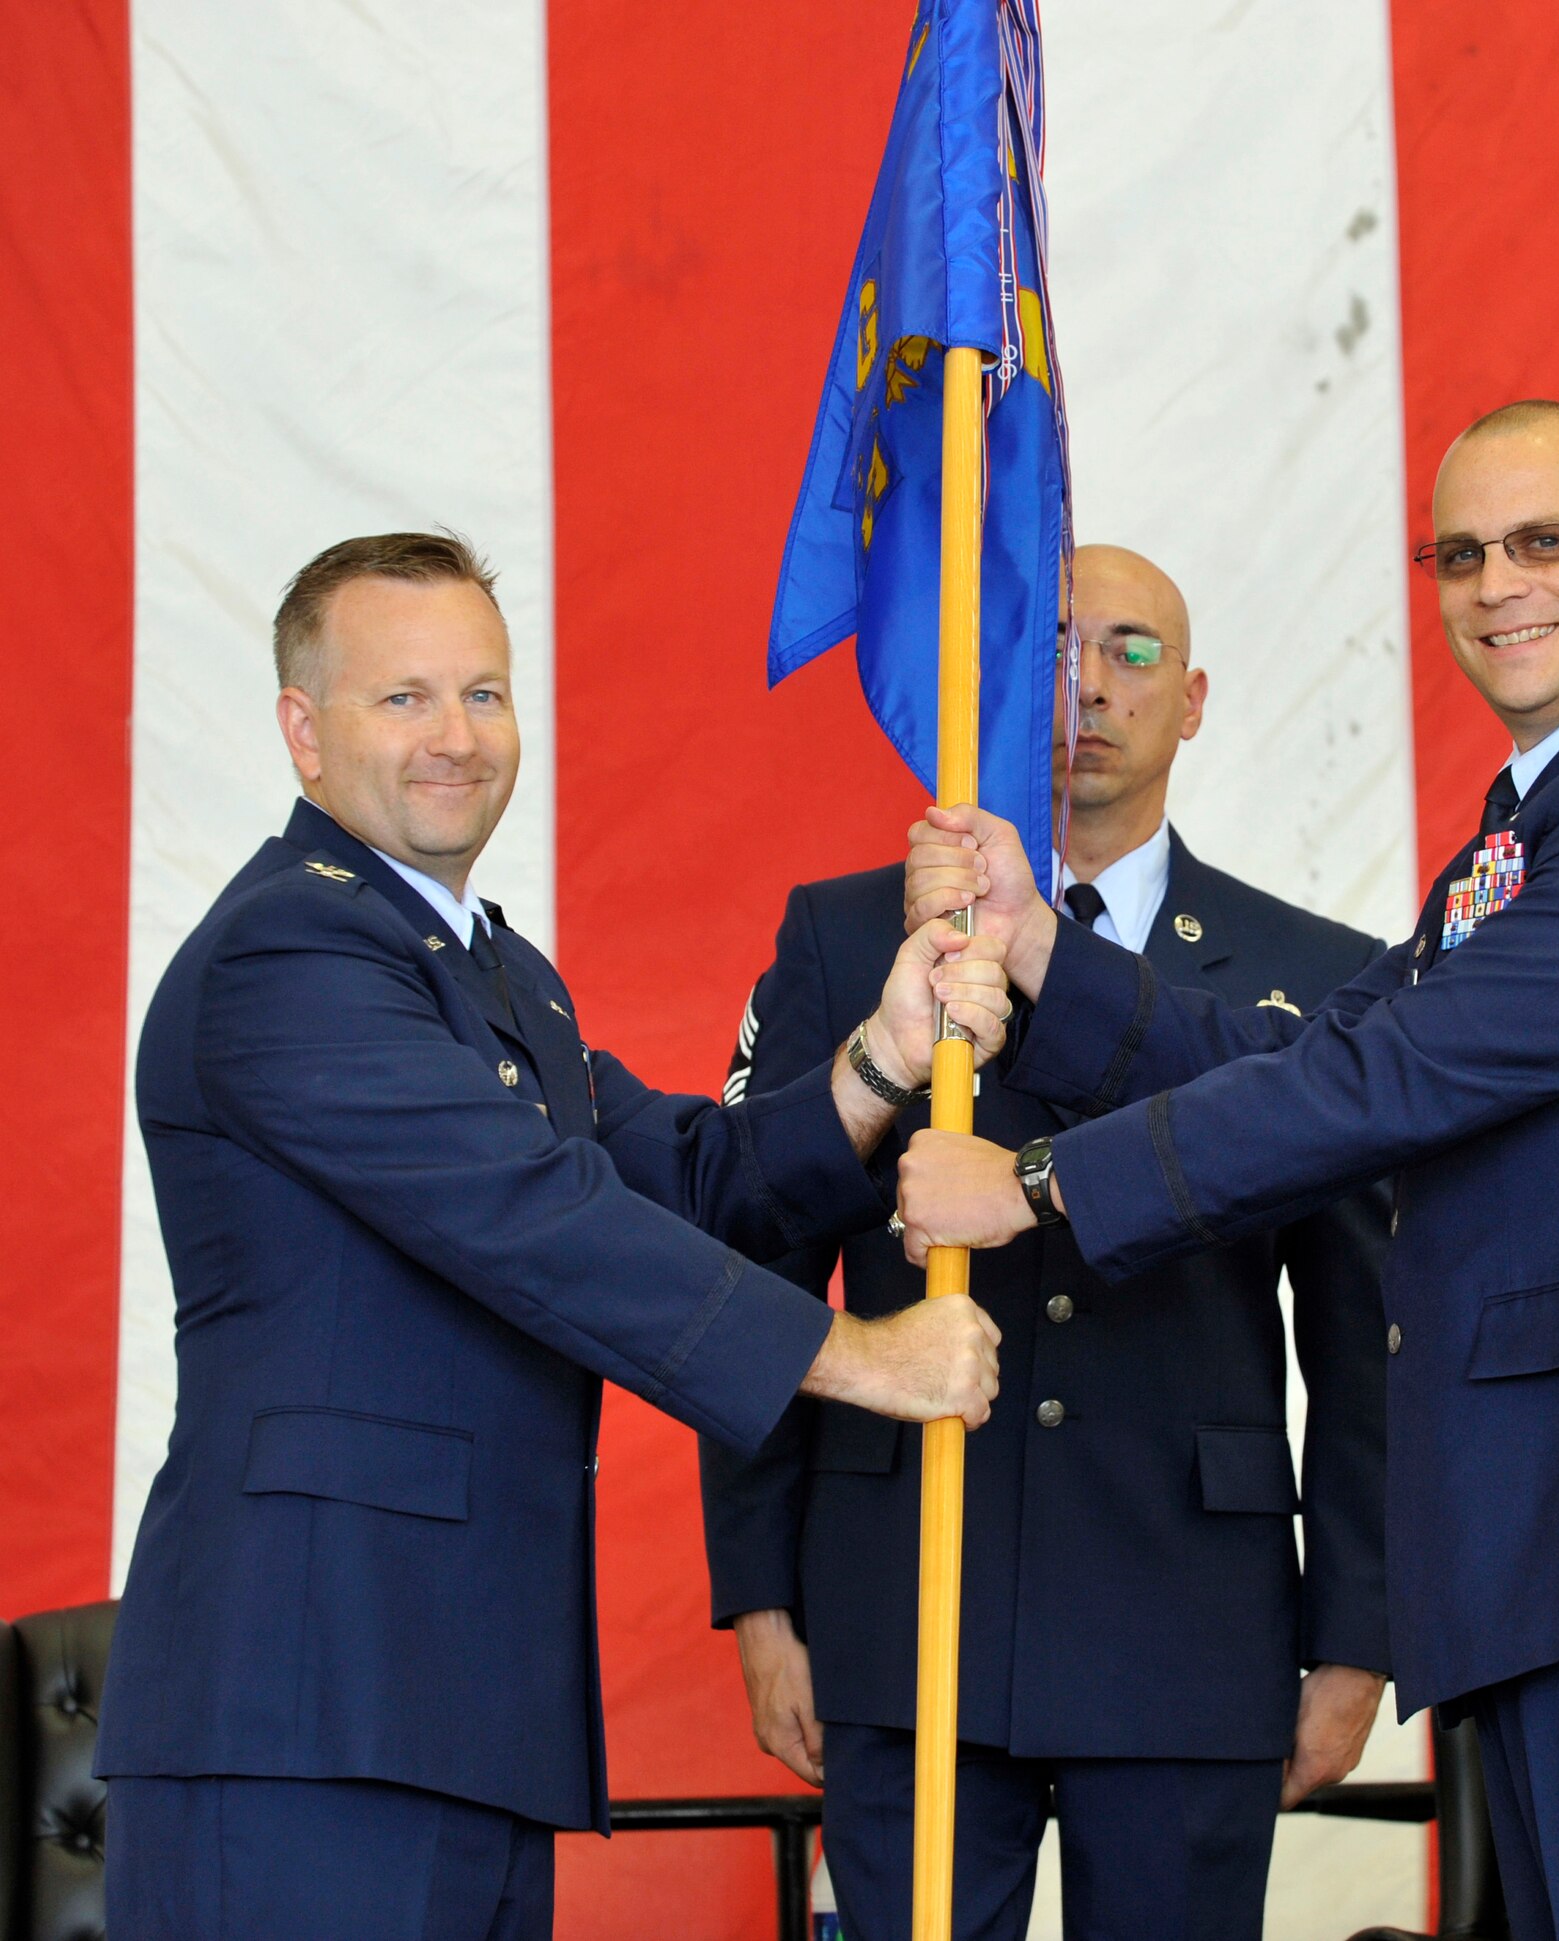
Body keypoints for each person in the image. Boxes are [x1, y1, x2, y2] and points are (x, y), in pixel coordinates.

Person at [896, 406, 1559, 1941]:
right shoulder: (1541, 819)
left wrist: (1036, 1180)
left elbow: (1392, 1081)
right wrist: (1048, 954)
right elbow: (1308, 1041)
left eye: (1543, 540)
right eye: (1460, 553)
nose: (1497, 581)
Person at [97, 532, 1015, 1941]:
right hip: (304, 1715)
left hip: (464, 1718)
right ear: (303, 729)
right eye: (402, 698)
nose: (455, 737)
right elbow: (540, 1223)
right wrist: (861, 1356)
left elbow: (693, 1178)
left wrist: (882, 1058)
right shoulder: (286, 954)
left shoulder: (497, 974)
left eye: (483, 693)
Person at [701, 544, 1392, 1941]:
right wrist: (762, 1593)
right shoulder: (848, 937)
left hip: (1189, 1605)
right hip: (906, 1594)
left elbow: (1364, 1334)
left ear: (1193, 701)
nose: (1089, 680)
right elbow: (759, 1250)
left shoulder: (1306, 971)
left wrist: (1358, 1630)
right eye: (1058, 643)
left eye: (1132, 651)